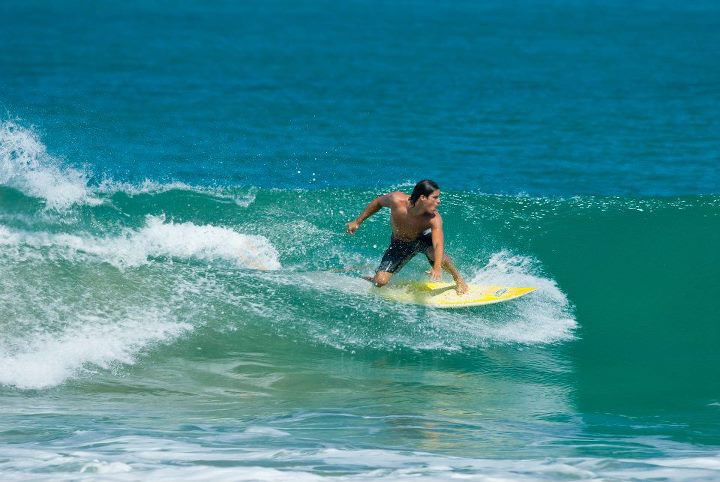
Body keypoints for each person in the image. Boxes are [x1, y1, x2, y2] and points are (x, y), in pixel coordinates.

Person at [346, 180, 468, 295]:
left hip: (422, 239)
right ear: (422, 197)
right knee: (380, 282)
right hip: (400, 243)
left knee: (435, 253)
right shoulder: (396, 200)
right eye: (435, 197)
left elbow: (438, 244)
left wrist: (436, 267)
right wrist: (357, 222)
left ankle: (458, 279)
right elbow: (378, 202)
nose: (439, 201)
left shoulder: (434, 218)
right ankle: (376, 276)